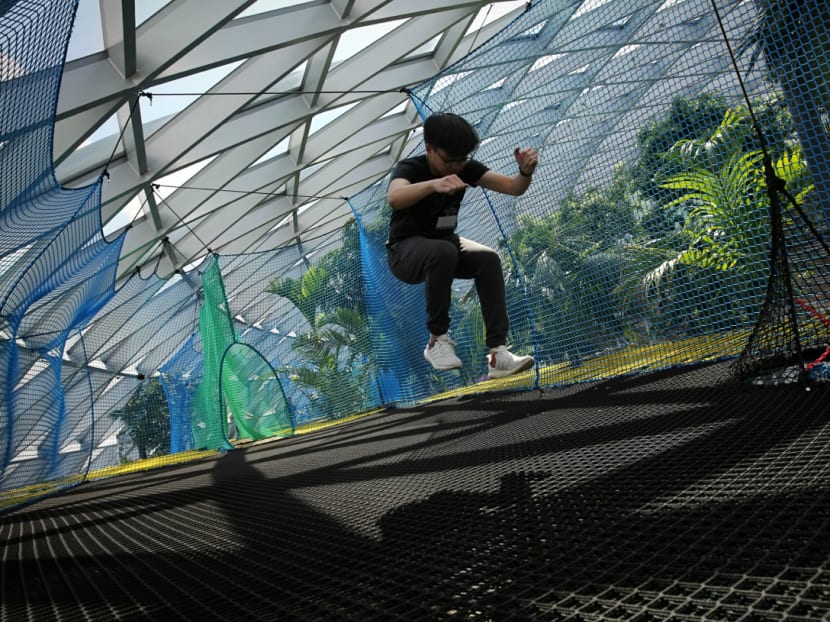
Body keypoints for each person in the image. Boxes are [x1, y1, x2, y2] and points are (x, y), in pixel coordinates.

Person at [385, 112, 537, 379]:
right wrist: (434, 184)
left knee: (488, 259)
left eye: (462, 160)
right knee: (444, 251)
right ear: (429, 149)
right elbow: (395, 197)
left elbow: (513, 187)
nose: (456, 167)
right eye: (450, 161)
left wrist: (525, 172)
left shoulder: (465, 167)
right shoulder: (412, 168)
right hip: (404, 253)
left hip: (445, 246)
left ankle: (497, 354)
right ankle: (437, 341)